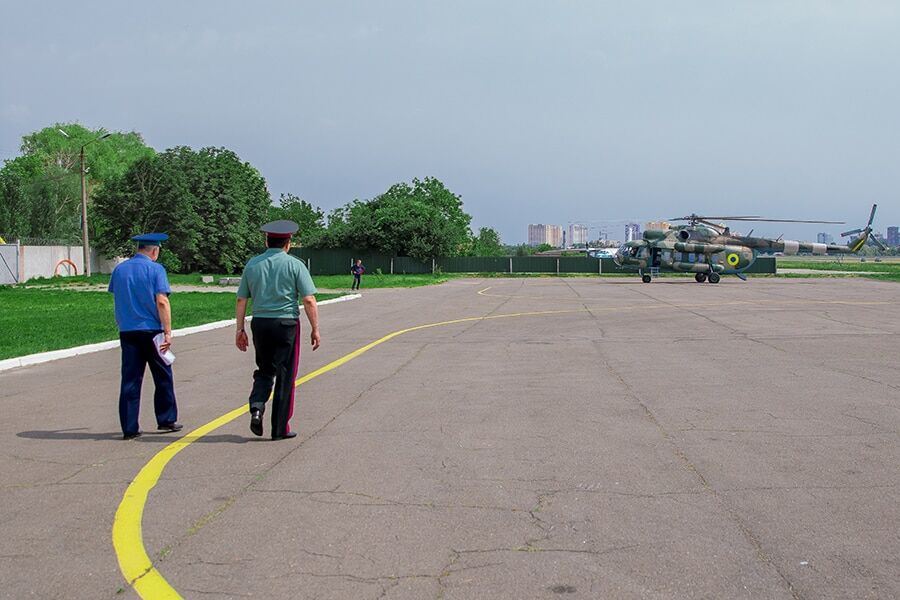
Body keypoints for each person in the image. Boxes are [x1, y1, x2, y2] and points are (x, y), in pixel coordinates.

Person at [235, 220, 320, 440]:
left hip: (260, 323)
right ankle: (279, 428)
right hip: (286, 324)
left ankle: (256, 406)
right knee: (285, 374)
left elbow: (241, 299)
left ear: (266, 240)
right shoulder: (295, 265)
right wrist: (315, 329)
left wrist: (240, 330)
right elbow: (309, 300)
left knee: (264, 368)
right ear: (288, 242)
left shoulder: (252, 265)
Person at [108, 233, 182, 440]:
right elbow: (162, 301)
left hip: (128, 330)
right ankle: (166, 418)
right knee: (163, 375)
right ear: (154, 250)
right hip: (152, 331)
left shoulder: (120, 270)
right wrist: (168, 331)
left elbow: (118, 296)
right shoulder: (156, 269)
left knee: (130, 380)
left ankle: (129, 427)